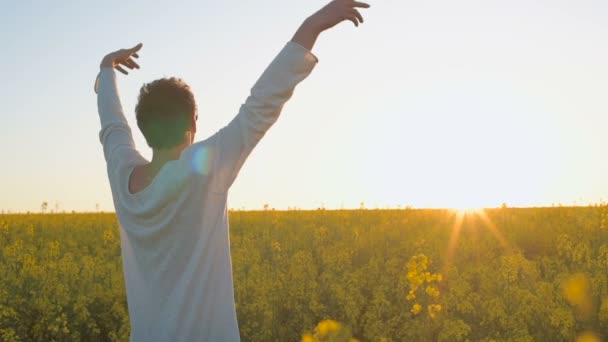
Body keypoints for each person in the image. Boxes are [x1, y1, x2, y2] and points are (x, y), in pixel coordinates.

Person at [95, 0, 370, 340]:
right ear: (193, 123)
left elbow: (112, 126)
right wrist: (312, 25)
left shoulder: (122, 175)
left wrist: (106, 69)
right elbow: (261, 105)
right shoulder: (203, 171)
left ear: (143, 126)